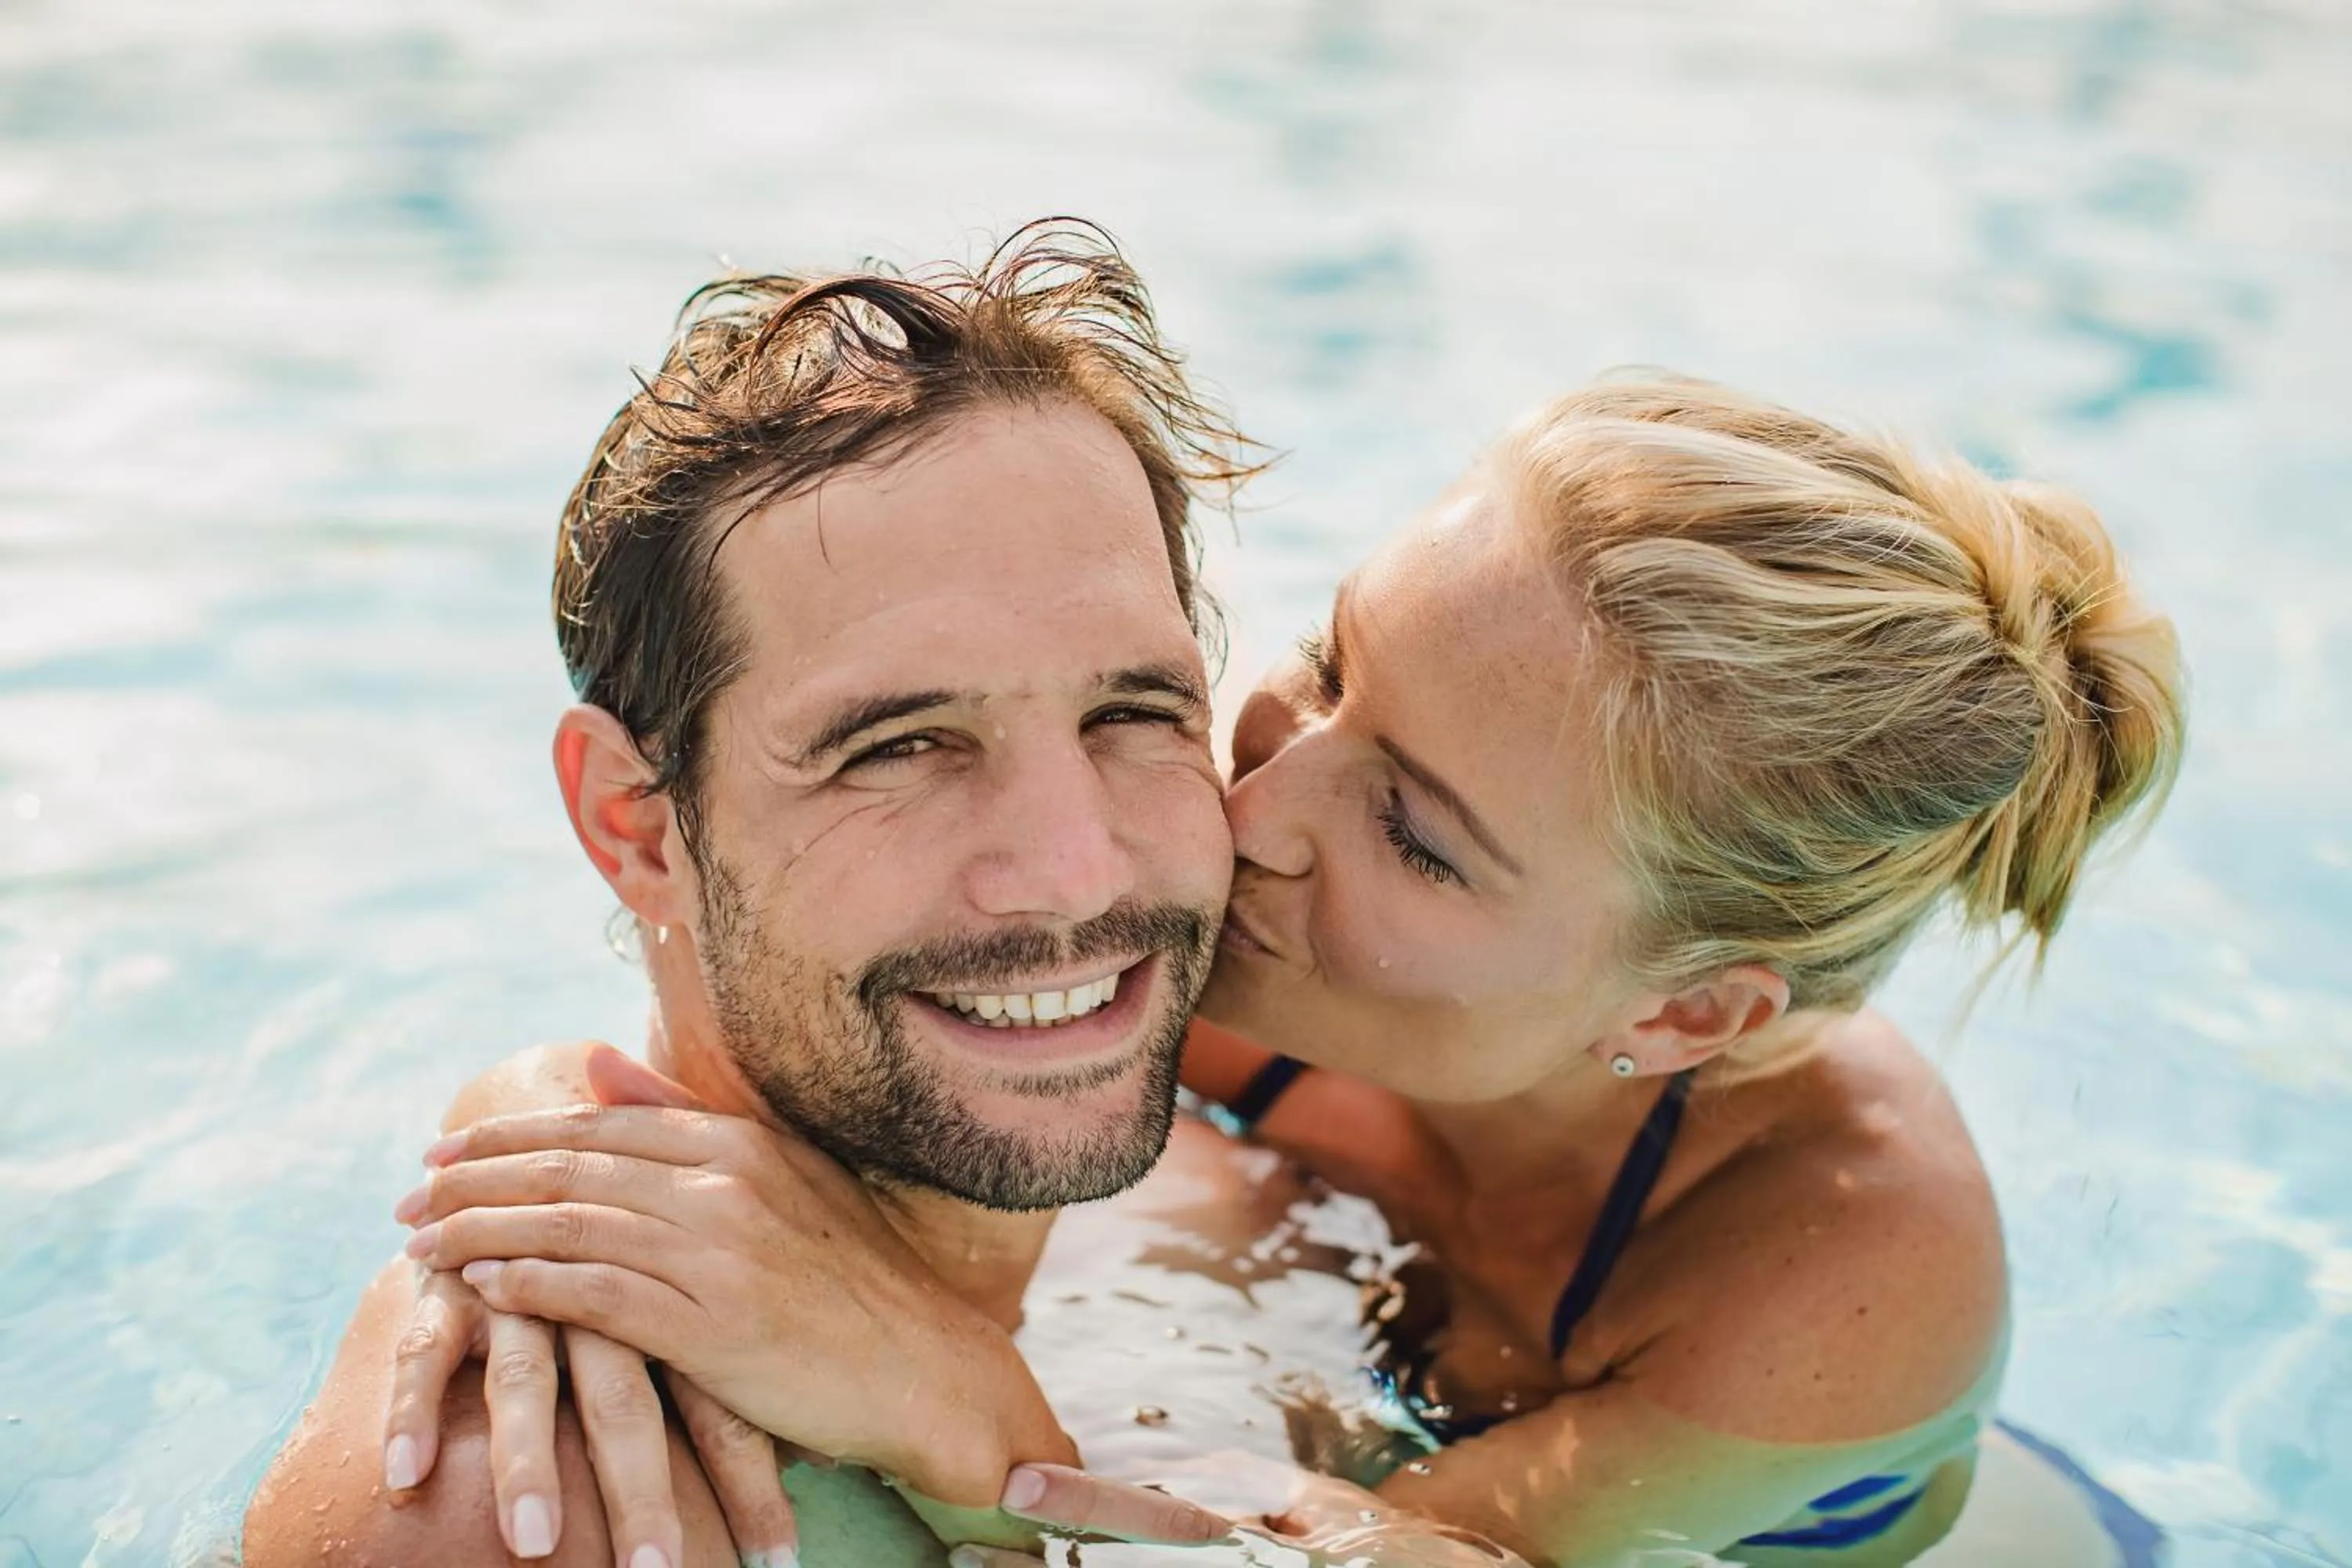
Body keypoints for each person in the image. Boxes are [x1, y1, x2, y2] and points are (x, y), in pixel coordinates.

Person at [366, 372, 2186, 1566]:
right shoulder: (1299, 938)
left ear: (1686, 1013)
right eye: (1330, 665)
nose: (1260, 796)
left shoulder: (1849, 1273)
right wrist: (546, 1134)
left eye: (1416, 831)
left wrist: (938, 1396)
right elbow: (801, 977)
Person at [241, 223, 1264, 1568]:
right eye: (898, 747)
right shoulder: (526, 1500)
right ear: (636, 824)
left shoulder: (1207, 1183)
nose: (1076, 869)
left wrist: (970, 1419)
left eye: (1133, 712)